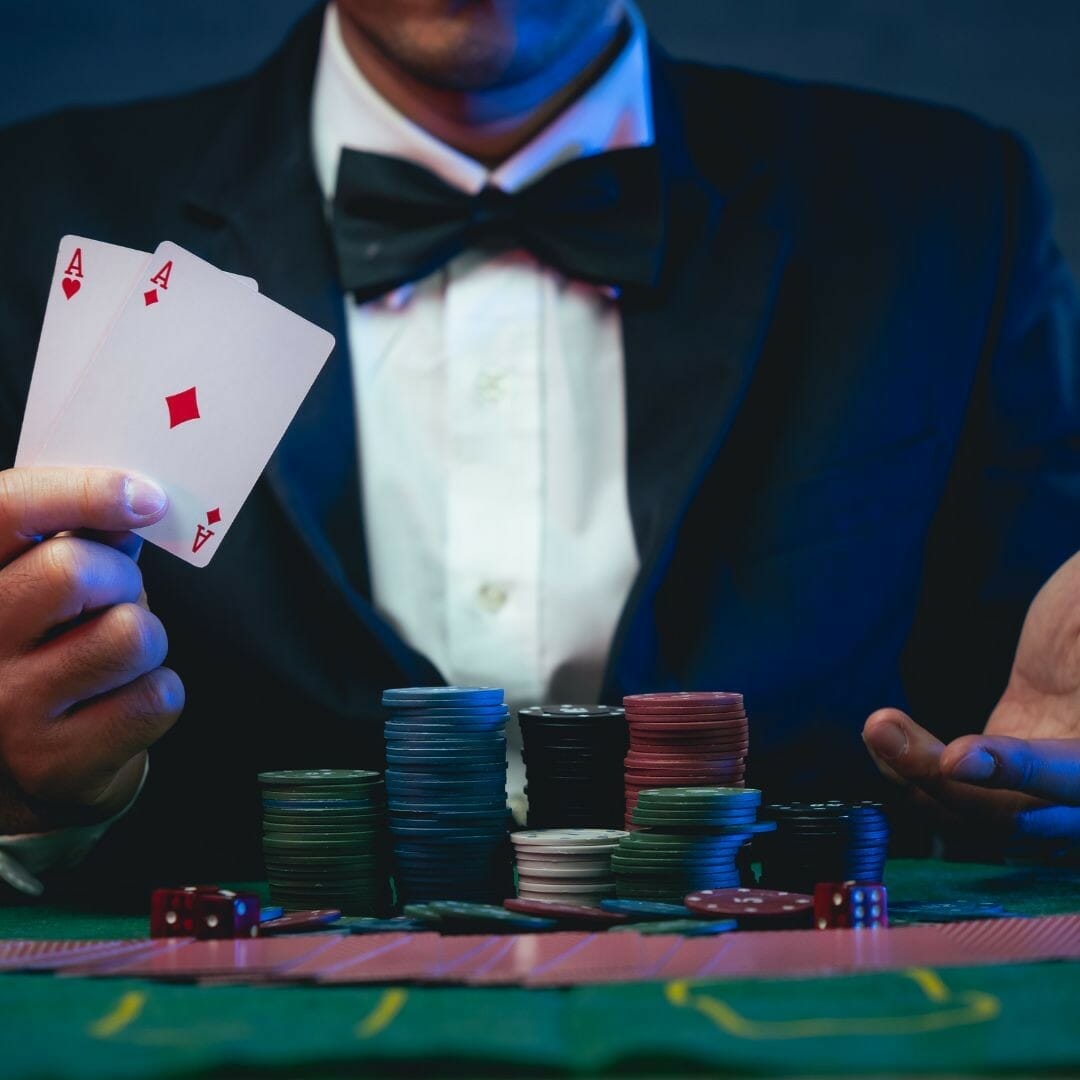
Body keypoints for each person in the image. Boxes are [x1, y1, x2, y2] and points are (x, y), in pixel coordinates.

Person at [0, 0, 1077, 895]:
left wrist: (1036, 780)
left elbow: (1014, 719)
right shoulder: (28, 211)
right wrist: (19, 804)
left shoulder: (949, 206)